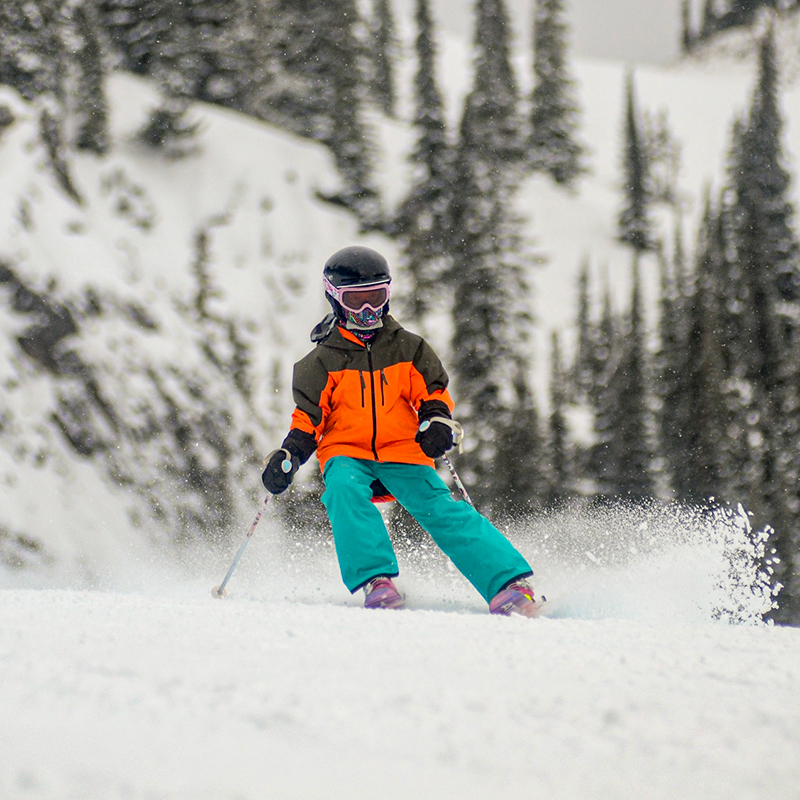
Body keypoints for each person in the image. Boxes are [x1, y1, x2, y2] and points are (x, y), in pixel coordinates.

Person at [262, 245, 541, 617]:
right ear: (335, 298)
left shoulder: (408, 348)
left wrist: (437, 422)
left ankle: (507, 584)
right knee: (343, 487)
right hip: (347, 452)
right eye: (356, 300)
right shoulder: (321, 362)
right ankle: (377, 581)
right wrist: (289, 455)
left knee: (440, 508)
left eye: (376, 297)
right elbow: (308, 419)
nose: (368, 310)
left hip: (402, 451)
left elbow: (433, 394)